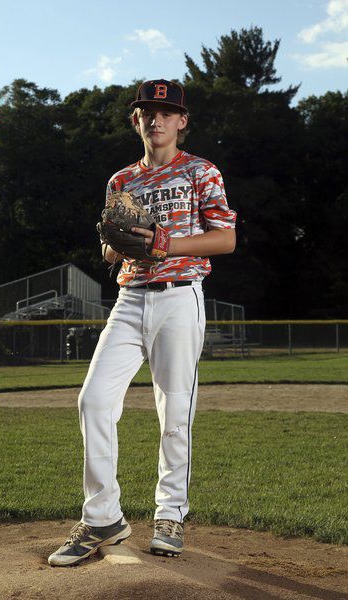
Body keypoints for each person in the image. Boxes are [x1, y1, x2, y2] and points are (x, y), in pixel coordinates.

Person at [48, 79, 236, 567]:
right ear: (136, 120)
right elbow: (113, 247)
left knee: (174, 415)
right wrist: (114, 244)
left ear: (181, 121)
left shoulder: (201, 172)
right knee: (93, 402)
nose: (154, 119)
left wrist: (163, 245)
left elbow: (225, 240)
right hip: (130, 300)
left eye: (164, 112)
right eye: (146, 112)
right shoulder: (120, 182)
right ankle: (102, 517)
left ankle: (170, 514)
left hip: (179, 299)